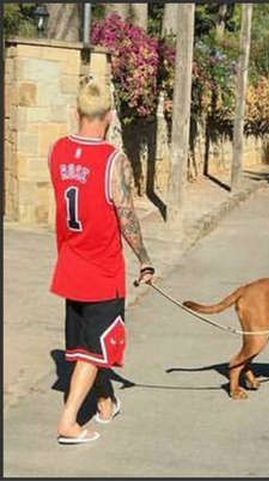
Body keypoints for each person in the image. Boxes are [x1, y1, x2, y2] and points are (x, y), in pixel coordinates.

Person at [50, 78, 155, 444]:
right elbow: (126, 217)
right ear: (110, 115)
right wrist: (145, 259)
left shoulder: (57, 152)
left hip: (70, 264)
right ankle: (68, 422)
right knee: (95, 350)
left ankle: (106, 400)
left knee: (87, 344)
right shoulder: (113, 160)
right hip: (102, 270)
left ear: (77, 112)